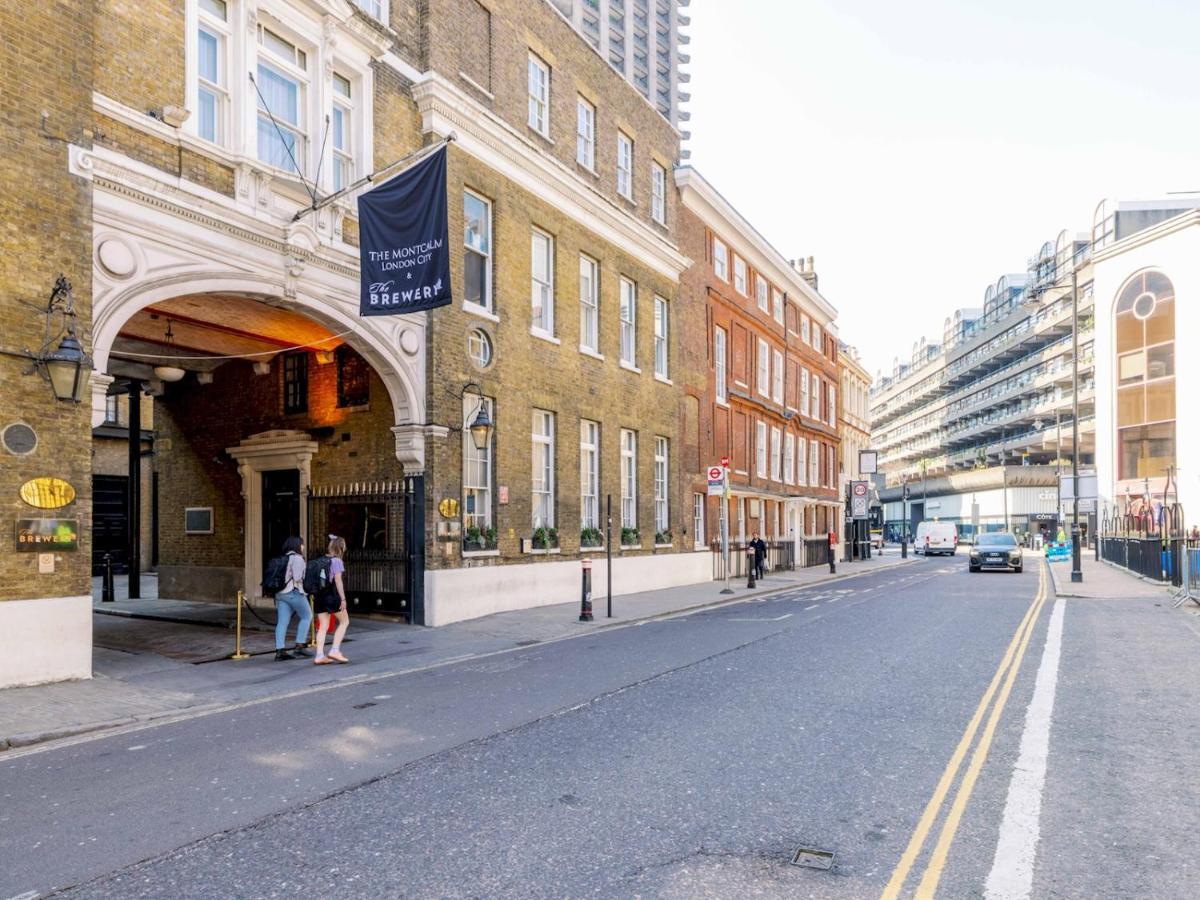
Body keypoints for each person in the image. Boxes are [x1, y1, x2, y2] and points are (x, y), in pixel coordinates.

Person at [273, 536, 311, 661]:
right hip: (293, 592)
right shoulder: (298, 558)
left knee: (282, 622)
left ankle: (280, 651)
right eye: (302, 544)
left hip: (280, 594)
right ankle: (299, 646)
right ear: (297, 546)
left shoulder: (283, 557)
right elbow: (298, 577)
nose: (303, 547)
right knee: (307, 616)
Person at [314, 535, 350, 665]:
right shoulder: (337, 561)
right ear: (341, 548)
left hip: (319, 596)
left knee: (323, 626)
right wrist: (343, 599)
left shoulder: (321, 560)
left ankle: (319, 655)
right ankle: (335, 650)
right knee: (344, 621)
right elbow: (338, 581)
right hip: (331, 596)